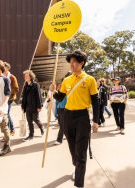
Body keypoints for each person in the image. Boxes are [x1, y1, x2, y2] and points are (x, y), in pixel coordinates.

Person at [53, 50, 99, 188]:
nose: (71, 64)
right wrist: (53, 91)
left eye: (74, 62)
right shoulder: (67, 79)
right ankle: (77, 166)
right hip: (67, 117)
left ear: (82, 63)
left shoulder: (90, 80)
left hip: (82, 118)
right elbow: (60, 97)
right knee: (73, 149)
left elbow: (96, 101)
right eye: (70, 62)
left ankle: (79, 183)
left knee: (81, 152)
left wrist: (96, 121)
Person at [21, 70, 44, 141]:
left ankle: (41, 127)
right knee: (29, 121)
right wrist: (23, 106)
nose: (26, 77)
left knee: (35, 119)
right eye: (25, 76)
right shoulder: (25, 85)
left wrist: (39, 106)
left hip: (34, 106)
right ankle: (31, 135)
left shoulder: (35, 84)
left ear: (31, 76)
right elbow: (24, 97)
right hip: (28, 107)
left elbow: (38, 96)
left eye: (27, 76)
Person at [3, 62, 19, 136]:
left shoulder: (12, 77)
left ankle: (11, 130)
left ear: (7, 68)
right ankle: (8, 131)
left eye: (4, 66)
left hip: (9, 99)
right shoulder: (1, 76)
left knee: (6, 114)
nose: (2, 67)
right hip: (2, 99)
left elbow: (16, 89)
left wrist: (8, 93)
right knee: (4, 114)